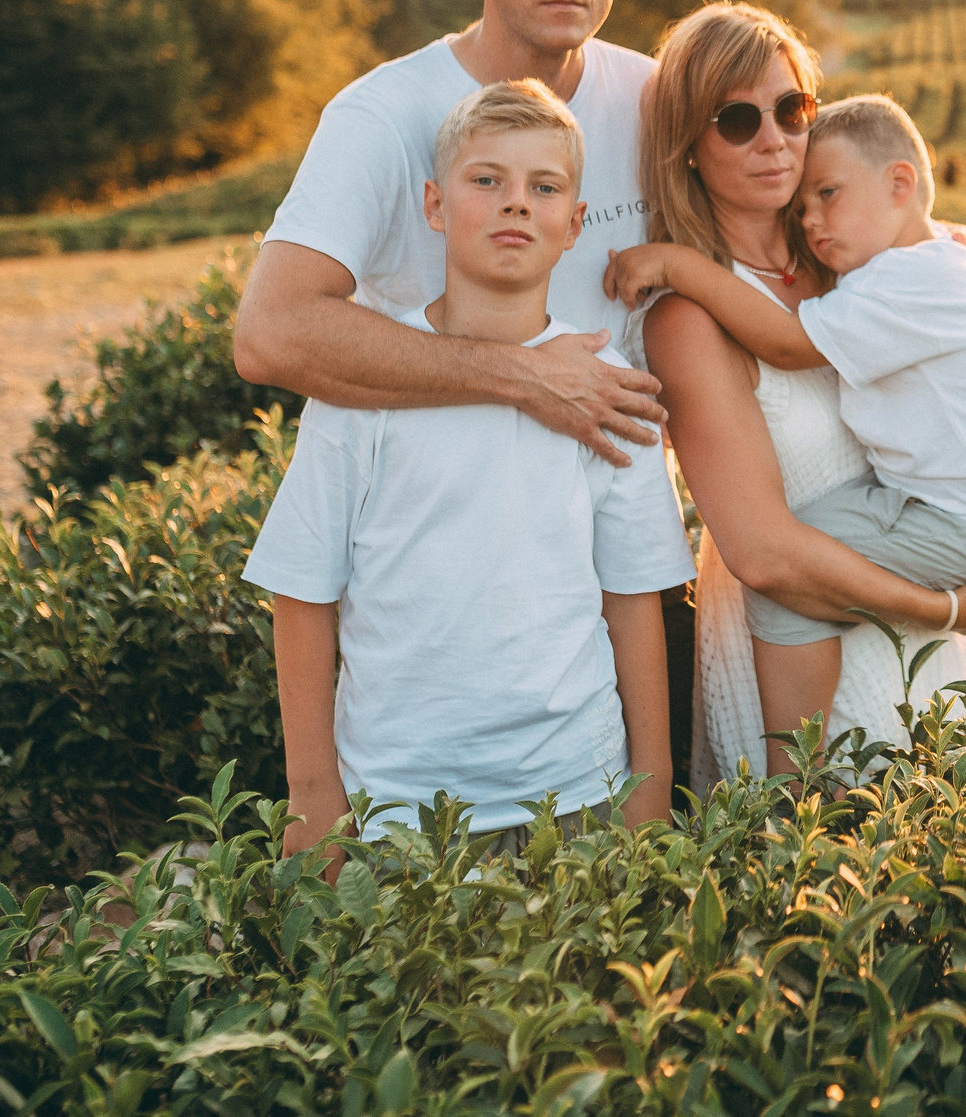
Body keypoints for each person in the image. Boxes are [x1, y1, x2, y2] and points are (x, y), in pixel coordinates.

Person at [246, 81, 691, 853]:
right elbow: (303, 587)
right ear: (435, 206)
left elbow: (633, 596)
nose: (516, 203)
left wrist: (648, 785)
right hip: (398, 812)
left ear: (574, 223)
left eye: (543, 187)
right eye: (486, 180)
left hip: (576, 797)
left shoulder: (607, 388)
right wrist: (312, 792)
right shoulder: (369, 381)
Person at [611, 3, 966, 783]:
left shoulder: (850, 262)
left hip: (926, 629)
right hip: (816, 650)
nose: (774, 138)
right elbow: (765, 555)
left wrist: (954, 235)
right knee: (817, 848)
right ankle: (795, 792)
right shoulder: (689, 319)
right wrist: (947, 606)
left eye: (792, 108)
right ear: (687, 148)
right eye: (737, 120)